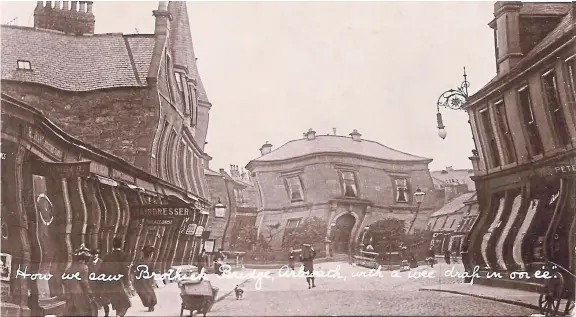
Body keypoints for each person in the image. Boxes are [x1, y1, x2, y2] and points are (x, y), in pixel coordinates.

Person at [100, 237, 132, 317]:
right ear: (121, 245)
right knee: (126, 304)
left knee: (117, 303)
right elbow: (125, 271)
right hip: (119, 283)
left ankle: (118, 314)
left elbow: (101, 271)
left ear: (112, 246)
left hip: (109, 284)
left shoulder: (107, 257)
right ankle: (119, 315)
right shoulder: (125, 256)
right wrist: (127, 284)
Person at [64, 244, 97, 317]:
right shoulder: (84, 267)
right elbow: (84, 283)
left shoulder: (70, 267)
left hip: (70, 294)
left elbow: (64, 280)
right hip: (80, 295)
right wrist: (91, 294)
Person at [132, 246, 157, 312]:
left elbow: (134, 268)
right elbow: (152, 271)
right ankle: (151, 305)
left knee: (143, 293)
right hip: (147, 279)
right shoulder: (150, 261)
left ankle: (149, 305)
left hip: (140, 279)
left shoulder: (139, 260)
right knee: (149, 291)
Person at [89, 249, 110, 317]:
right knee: (94, 300)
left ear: (98, 255)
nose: (94, 255)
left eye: (96, 254)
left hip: (101, 285)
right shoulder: (89, 263)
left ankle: (106, 313)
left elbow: (106, 273)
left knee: (104, 300)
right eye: (93, 254)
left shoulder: (102, 263)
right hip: (92, 285)